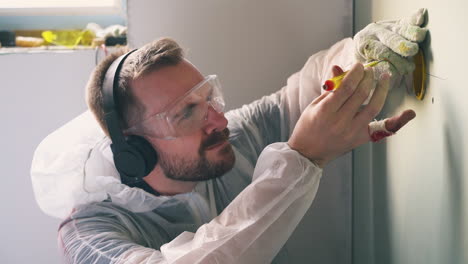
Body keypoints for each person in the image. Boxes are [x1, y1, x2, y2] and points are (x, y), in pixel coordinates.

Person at [31, 9, 427, 264]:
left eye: (209, 98)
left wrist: (358, 54)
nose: (218, 120)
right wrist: (303, 159)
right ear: (132, 150)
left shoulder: (227, 139)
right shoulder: (91, 237)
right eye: (187, 111)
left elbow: (300, 95)